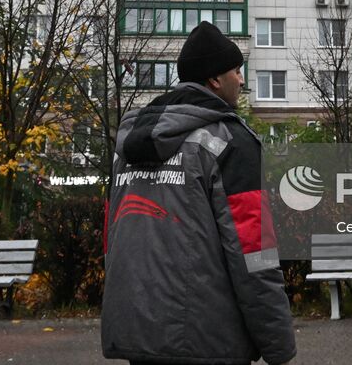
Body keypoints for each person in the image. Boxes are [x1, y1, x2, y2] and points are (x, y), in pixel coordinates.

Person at [101, 20, 296, 365]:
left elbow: (112, 238)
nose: (242, 79)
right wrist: (278, 344)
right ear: (215, 80)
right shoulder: (230, 142)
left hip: (136, 334)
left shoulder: (129, 145)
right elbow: (254, 252)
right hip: (208, 341)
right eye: (236, 70)